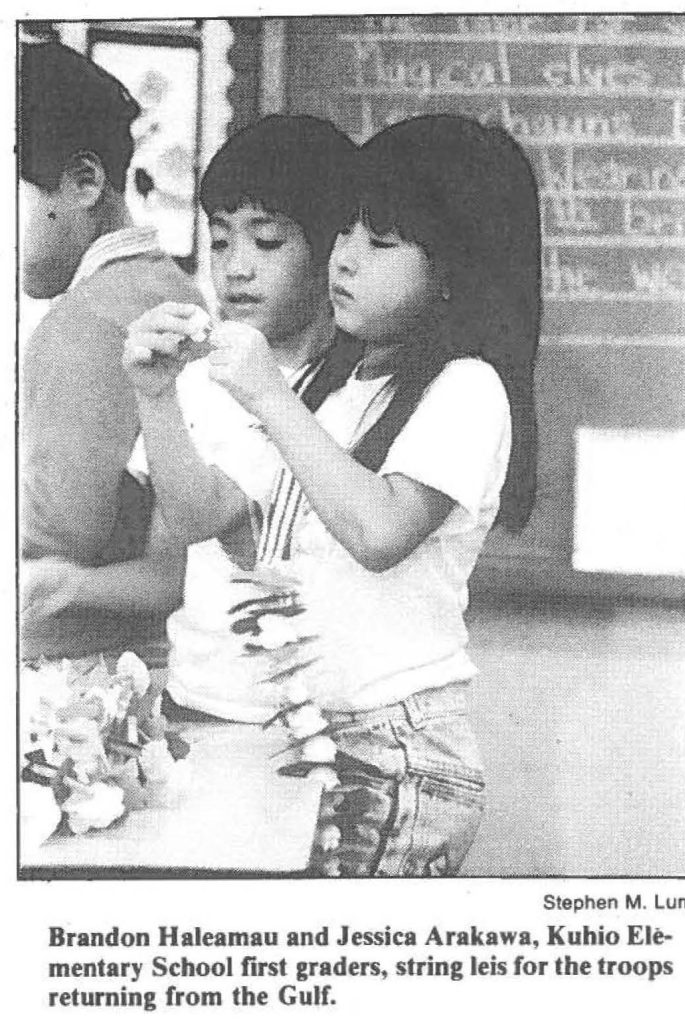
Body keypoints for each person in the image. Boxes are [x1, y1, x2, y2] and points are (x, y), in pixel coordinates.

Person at [125, 114, 541, 875]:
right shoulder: (339, 388)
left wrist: (269, 399)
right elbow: (236, 531)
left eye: (380, 243)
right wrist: (156, 398)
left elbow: (379, 533)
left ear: (454, 270)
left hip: (391, 752)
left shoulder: (469, 388)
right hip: (309, 736)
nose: (345, 259)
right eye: (346, 231)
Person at [40, 115, 358, 720]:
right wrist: (57, 586)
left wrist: (153, 398)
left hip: (307, 725)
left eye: (266, 242)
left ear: (333, 250)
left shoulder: (353, 392)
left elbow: (203, 513)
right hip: (194, 703)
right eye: (219, 240)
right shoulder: (198, 379)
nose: (235, 267)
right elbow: (170, 573)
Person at [20, 41, 205, 663]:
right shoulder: (171, 288)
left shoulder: (85, 322)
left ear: (84, 183)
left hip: (76, 674)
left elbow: (52, 541)